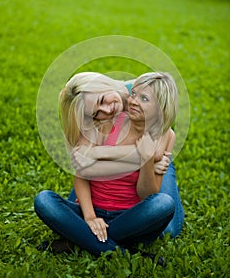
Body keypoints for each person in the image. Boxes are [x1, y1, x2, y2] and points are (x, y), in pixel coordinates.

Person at [34, 72, 183, 265]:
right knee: (44, 200)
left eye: (143, 98)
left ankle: (77, 239)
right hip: (94, 208)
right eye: (134, 95)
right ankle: (127, 254)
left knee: (163, 204)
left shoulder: (162, 133)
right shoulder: (106, 121)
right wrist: (89, 217)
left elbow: (147, 194)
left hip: (129, 217)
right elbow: (82, 174)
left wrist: (146, 160)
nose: (134, 101)